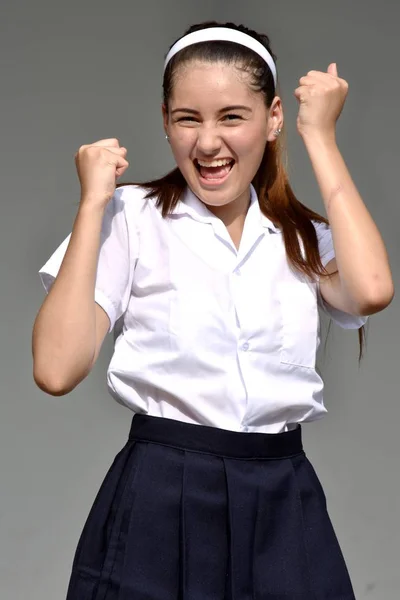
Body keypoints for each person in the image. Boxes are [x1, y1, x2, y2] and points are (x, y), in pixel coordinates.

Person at [32, 20, 394, 600]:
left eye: (232, 116)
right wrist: (92, 206)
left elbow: (372, 290)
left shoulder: (304, 237)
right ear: (165, 120)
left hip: (282, 498)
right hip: (158, 495)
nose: (207, 142)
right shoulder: (132, 216)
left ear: (273, 118)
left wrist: (320, 136)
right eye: (187, 119)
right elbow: (55, 369)